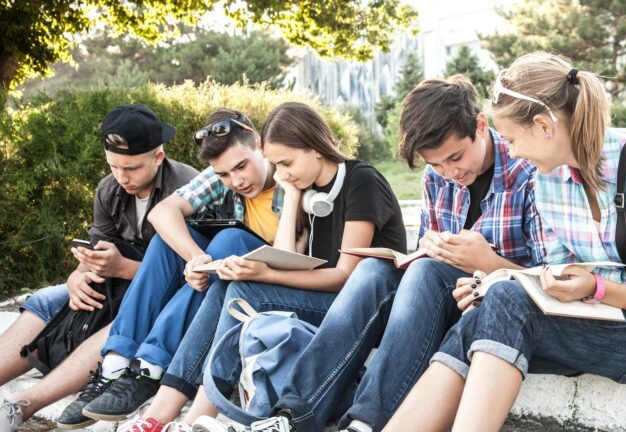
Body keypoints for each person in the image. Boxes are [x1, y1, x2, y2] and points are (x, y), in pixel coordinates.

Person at [385, 52, 626, 432]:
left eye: (511, 139)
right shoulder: (548, 180)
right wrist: (491, 281)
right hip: (594, 323)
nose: (510, 151)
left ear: (544, 126)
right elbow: (553, 276)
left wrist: (596, 287)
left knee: (508, 303)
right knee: (486, 310)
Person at [237, 75, 545, 432]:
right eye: (437, 163)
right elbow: (430, 249)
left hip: (494, 304)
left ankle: (364, 423)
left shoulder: (527, 170)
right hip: (441, 296)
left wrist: (488, 264)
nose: (450, 172)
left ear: (479, 126)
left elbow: (547, 275)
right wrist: (427, 250)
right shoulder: (435, 177)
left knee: (425, 273)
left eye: (455, 157)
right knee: (371, 270)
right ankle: (291, 416)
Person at [114, 101, 407, 432]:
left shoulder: (361, 180)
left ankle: (195, 417)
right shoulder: (306, 188)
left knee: (243, 289)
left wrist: (264, 273)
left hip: (367, 307)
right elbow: (286, 257)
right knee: (228, 283)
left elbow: (346, 277)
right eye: (276, 165)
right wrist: (294, 195)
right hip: (330, 302)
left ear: (315, 147)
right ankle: (161, 415)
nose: (280, 174)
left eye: (285, 163)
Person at [53, 108, 281, 427]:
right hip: (225, 275)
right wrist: (194, 257)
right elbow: (162, 213)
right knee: (168, 239)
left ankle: (151, 368)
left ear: (258, 144)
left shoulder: (289, 176)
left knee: (228, 238)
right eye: (225, 174)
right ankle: (115, 367)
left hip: (269, 284)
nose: (236, 181)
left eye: (241, 167)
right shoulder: (224, 175)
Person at [0, 104, 199, 432]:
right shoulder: (109, 189)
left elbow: (193, 277)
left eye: (132, 168)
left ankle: (20, 407)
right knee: (47, 300)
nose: (122, 177)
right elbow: (93, 251)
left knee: (126, 319)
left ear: (158, 157)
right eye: (114, 166)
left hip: (162, 297)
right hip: (115, 285)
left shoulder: (188, 188)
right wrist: (77, 277)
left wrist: (124, 269)